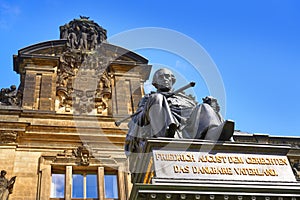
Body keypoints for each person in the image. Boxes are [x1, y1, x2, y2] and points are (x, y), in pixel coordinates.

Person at [125, 68, 234, 156]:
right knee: (157, 98)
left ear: (172, 80)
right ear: (155, 83)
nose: (165, 79)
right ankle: (165, 135)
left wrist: (212, 106)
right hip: (165, 134)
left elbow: (197, 116)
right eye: (161, 77)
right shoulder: (149, 98)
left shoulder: (186, 98)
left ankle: (214, 133)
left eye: (167, 76)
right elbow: (137, 120)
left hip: (189, 130)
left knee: (204, 107)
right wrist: (153, 103)